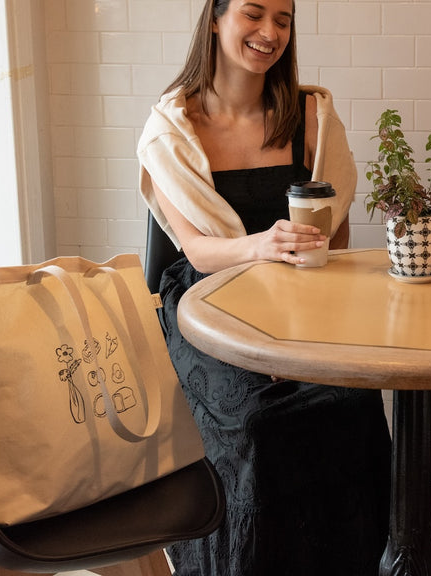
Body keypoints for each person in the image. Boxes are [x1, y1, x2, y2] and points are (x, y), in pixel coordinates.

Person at [136, 1, 391, 574]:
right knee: (260, 422)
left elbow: (337, 231)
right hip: (207, 300)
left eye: (284, 19)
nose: (270, 32)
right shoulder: (172, 128)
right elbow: (197, 249)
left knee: (352, 400)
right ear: (218, 19)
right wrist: (260, 247)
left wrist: (301, 320)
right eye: (254, 14)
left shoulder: (312, 115)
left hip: (303, 294)